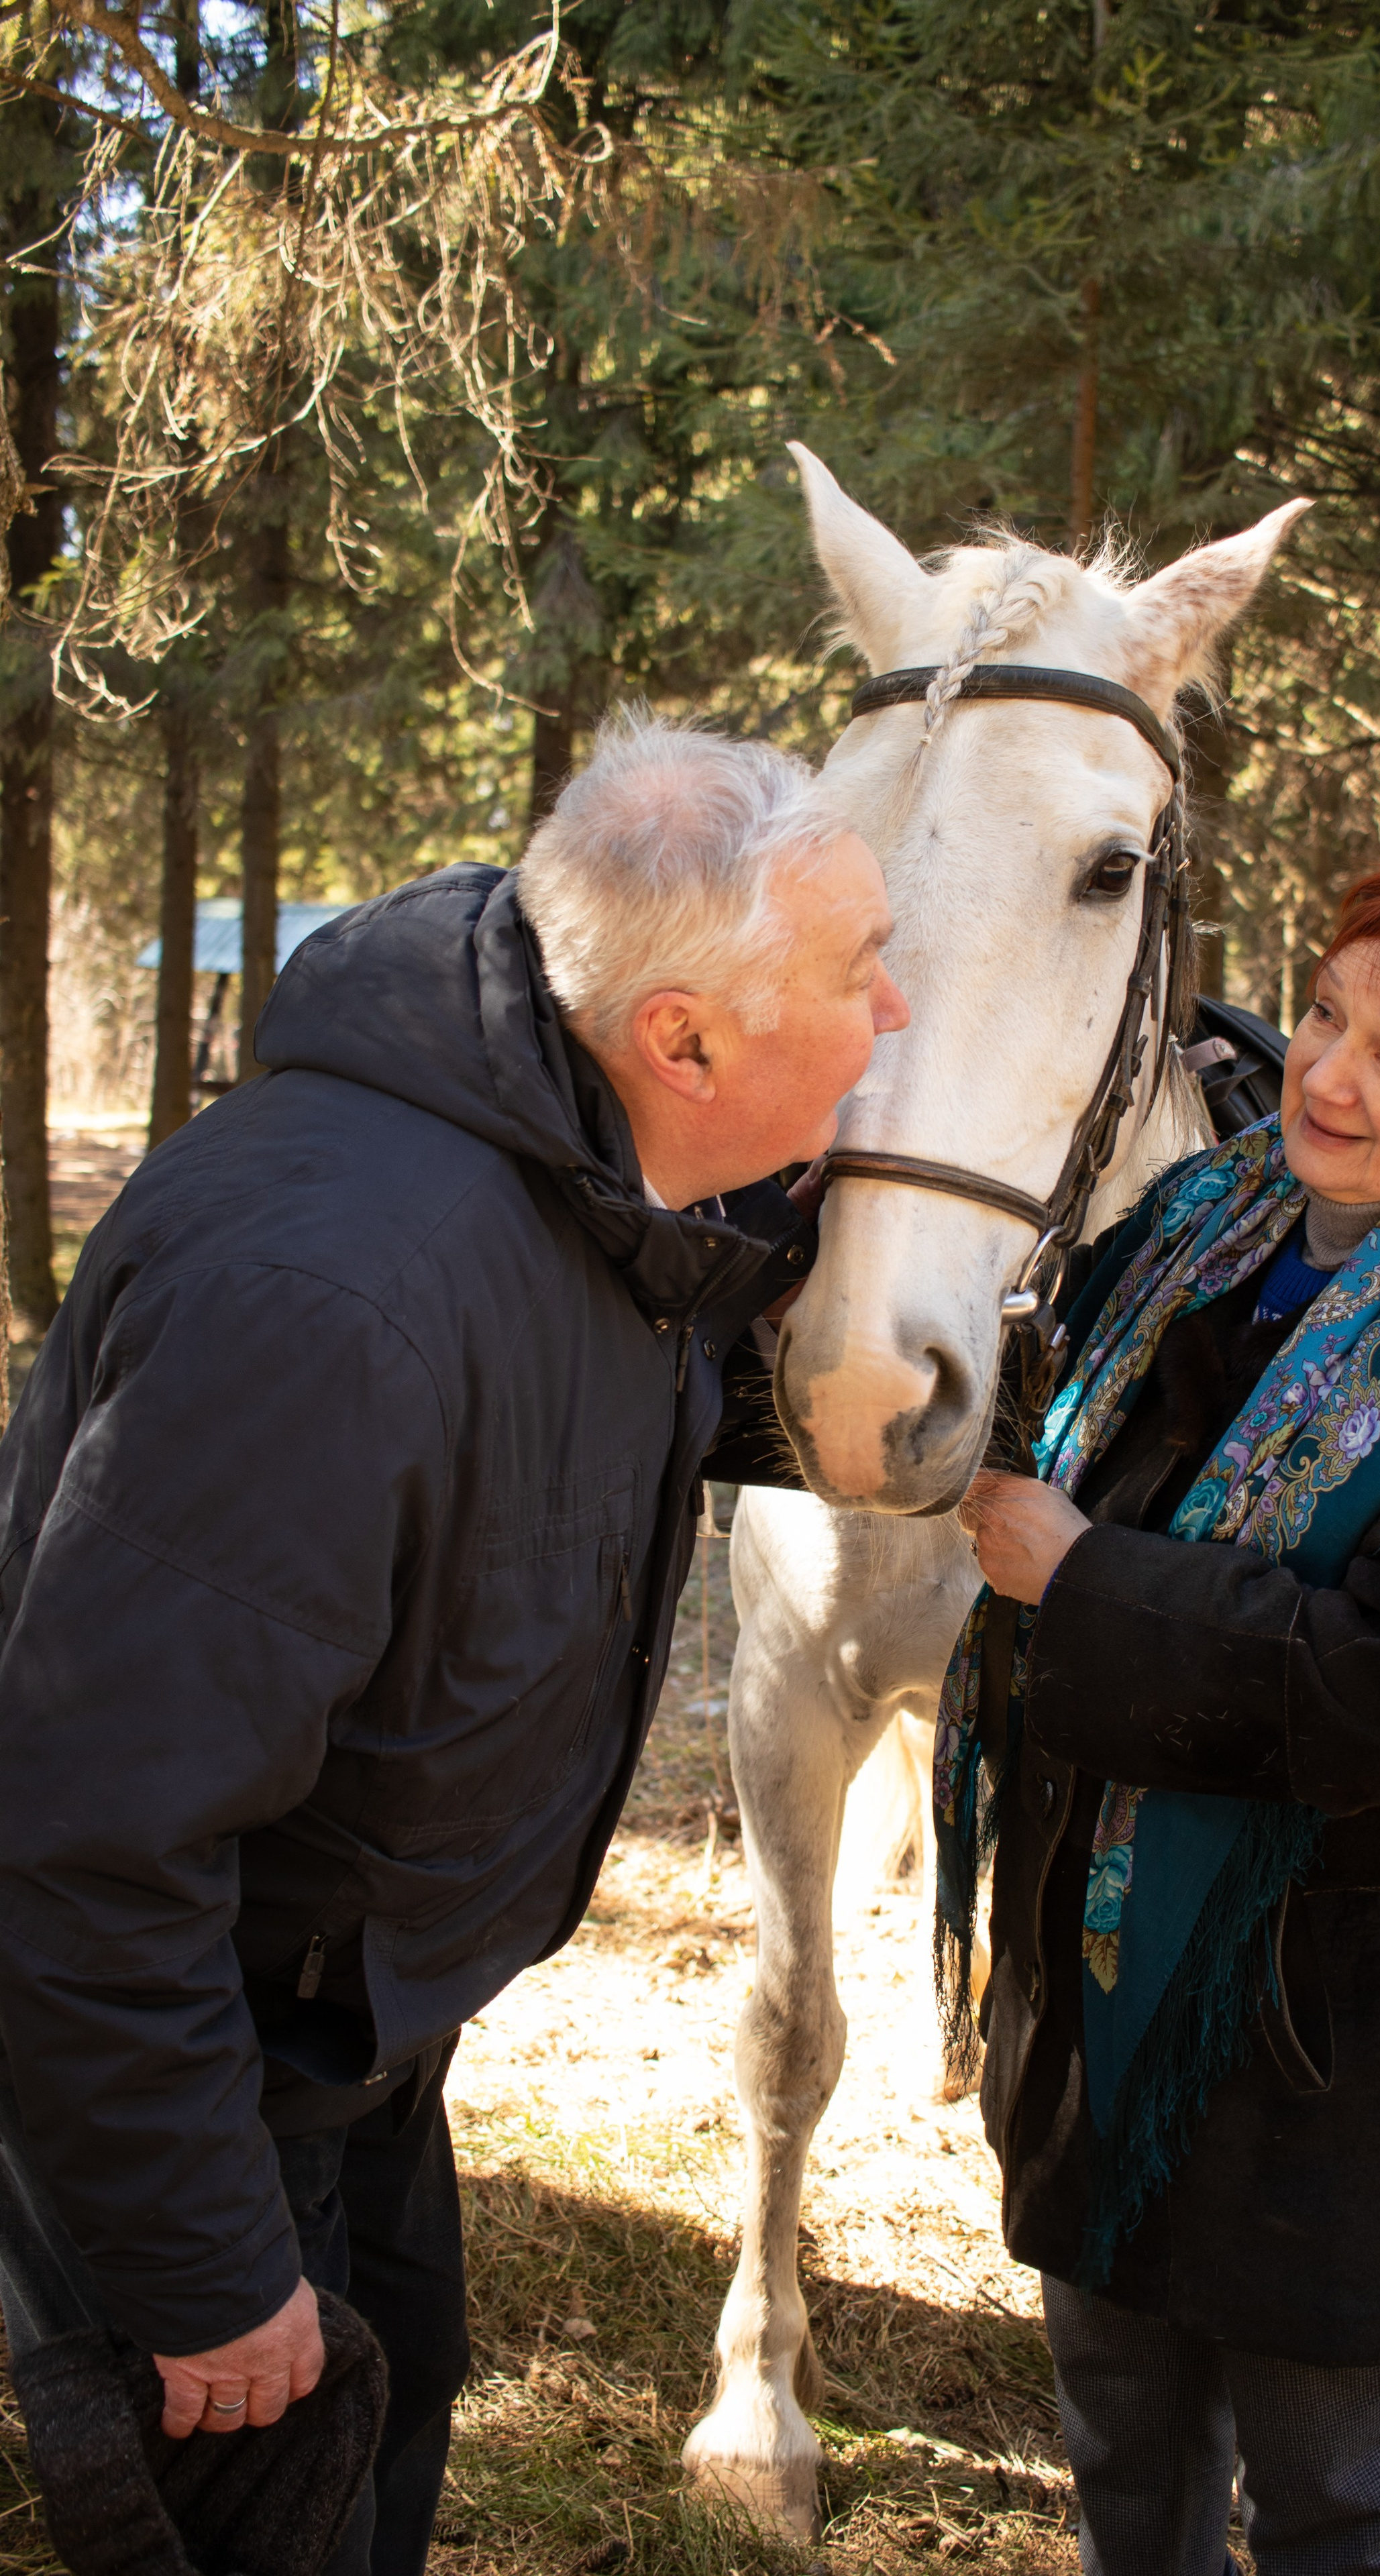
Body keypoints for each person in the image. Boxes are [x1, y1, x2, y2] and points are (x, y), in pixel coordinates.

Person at [0, 712, 907, 2574]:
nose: (893, 1018)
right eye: (859, 973)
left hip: (355, 2024)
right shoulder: (332, 1305)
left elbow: (590, 1408)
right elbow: (85, 1834)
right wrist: (203, 2268)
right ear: (684, 1040)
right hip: (191, 2069)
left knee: (394, 2423)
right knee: (272, 2524)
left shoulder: (575, 1184)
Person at [948, 856, 1380, 2576]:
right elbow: (1019, 1406)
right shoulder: (1191, 1233)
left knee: (1332, 2483)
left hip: (1318, 2021)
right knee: (1119, 2437)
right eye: (1323, 1016)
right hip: (1096, 1959)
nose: (1324, 1077)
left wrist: (1083, 1580)